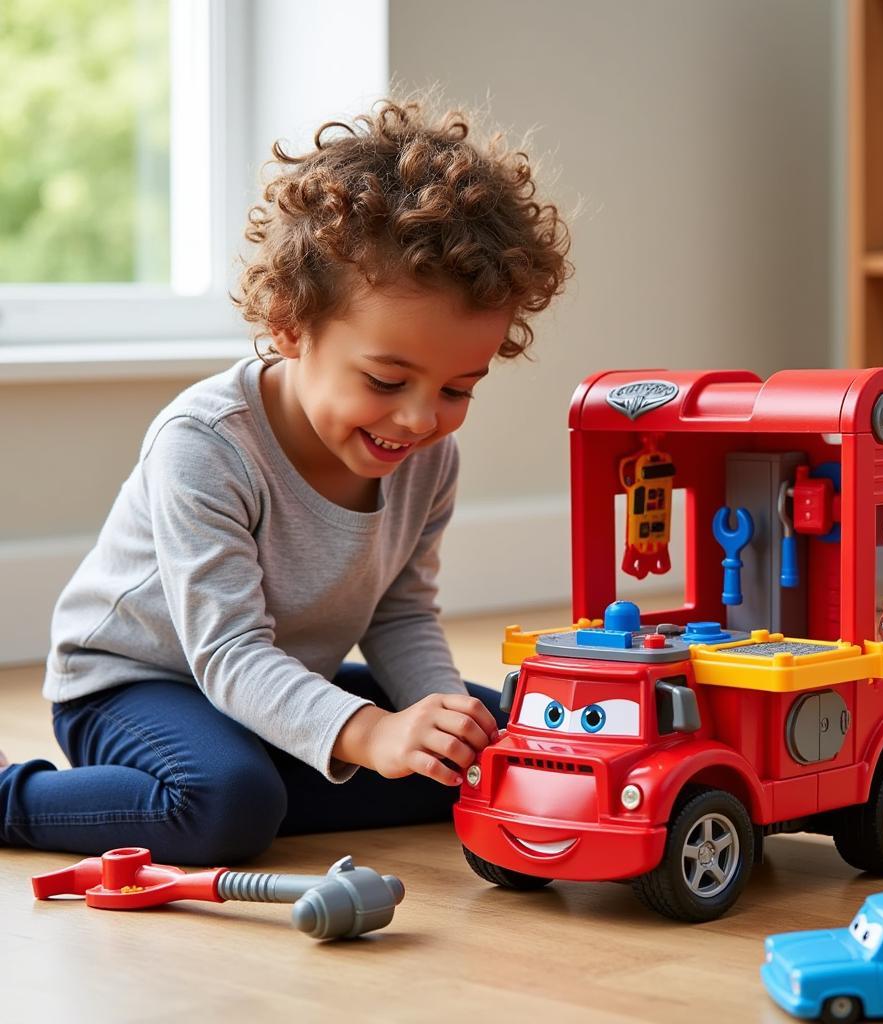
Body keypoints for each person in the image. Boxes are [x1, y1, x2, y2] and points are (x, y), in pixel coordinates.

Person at [0, 97, 572, 864]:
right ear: (289, 326)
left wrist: (434, 712)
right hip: (137, 684)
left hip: (287, 676)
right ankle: (21, 797)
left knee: (500, 740)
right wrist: (370, 733)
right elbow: (229, 653)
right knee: (226, 806)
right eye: (385, 379)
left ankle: (279, 760)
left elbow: (401, 613)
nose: (416, 420)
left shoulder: (428, 457)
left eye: (456, 390)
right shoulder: (204, 445)